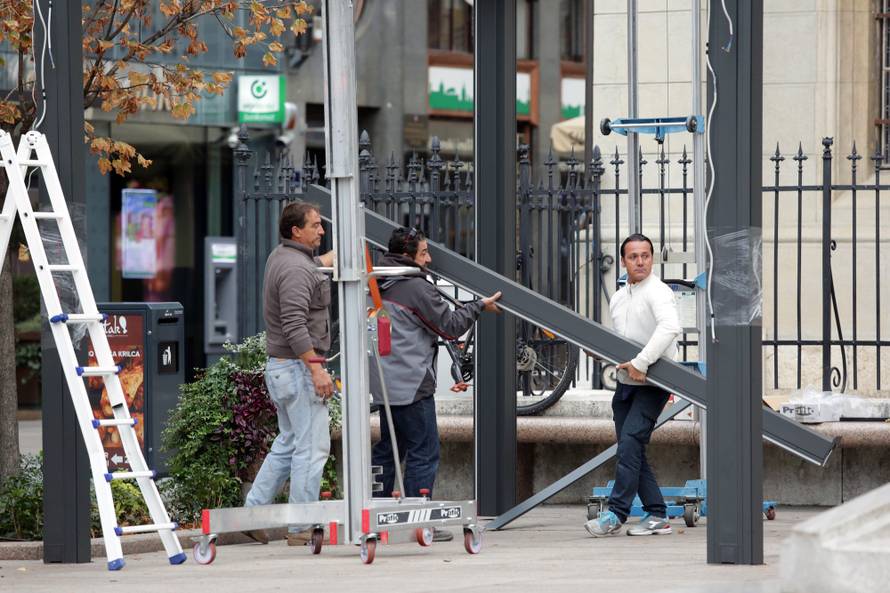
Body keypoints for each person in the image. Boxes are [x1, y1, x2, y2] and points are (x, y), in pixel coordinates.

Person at [369, 227, 501, 542]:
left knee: (388, 449)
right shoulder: (415, 287)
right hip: (412, 384)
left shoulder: (376, 280)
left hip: (384, 383)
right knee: (423, 451)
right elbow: (450, 326)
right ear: (407, 255)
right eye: (424, 253)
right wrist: (478, 306)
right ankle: (419, 521)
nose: (429, 259)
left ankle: (375, 513)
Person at [244, 202, 335, 547]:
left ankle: (253, 514)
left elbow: (312, 268)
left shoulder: (283, 257)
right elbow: (295, 324)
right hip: (299, 368)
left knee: (289, 443)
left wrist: (335, 257)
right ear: (296, 231)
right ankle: (300, 527)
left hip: (282, 368)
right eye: (315, 225)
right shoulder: (297, 268)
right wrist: (316, 368)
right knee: (311, 449)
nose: (321, 230)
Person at [584, 233, 681, 537]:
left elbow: (670, 327)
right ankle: (657, 514)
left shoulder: (658, 291)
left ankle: (616, 514)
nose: (640, 262)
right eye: (633, 257)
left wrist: (642, 362)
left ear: (652, 258)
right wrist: (599, 352)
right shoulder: (618, 297)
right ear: (624, 262)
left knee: (629, 444)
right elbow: (623, 341)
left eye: (645, 256)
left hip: (653, 383)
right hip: (626, 384)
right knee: (631, 448)